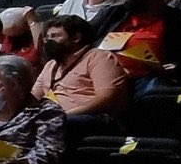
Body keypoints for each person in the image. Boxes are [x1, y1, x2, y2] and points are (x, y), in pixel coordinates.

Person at [34, 13, 129, 142]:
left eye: (55, 36)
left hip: (93, 118)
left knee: (52, 125)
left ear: (76, 37)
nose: (49, 41)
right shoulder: (51, 65)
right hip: (57, 118)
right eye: (47, 37)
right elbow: (33, 97)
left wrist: (65, 115)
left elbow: (107, 98)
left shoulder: (98, 57)